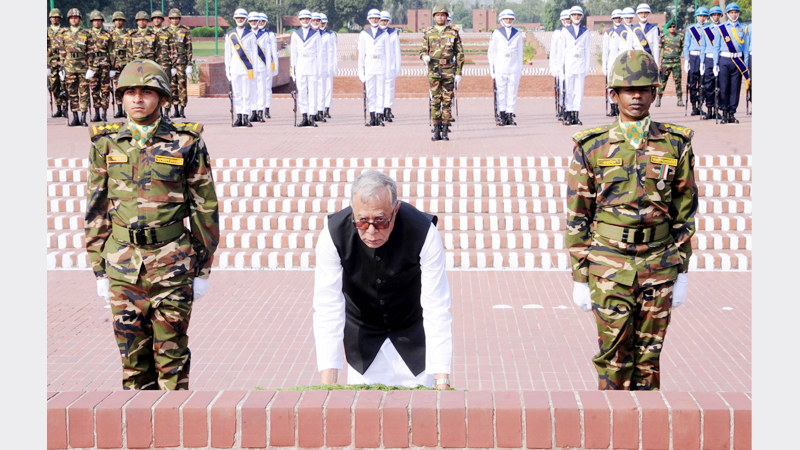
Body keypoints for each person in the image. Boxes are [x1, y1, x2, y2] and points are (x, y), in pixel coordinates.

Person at [84, 59, 219, 390]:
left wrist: (202, 269)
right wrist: (99, 269)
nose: (137, 99)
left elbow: (205, 208)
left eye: (146, 91)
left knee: (172, 367)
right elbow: (96, 210)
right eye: (130, 92)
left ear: (162, 97)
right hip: (122, 267)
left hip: (172, 267)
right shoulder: (106, 143)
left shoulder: (186, 142)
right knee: (133, 368)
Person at [566, 50, 697, 391]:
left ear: (655, 92)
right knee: (613, 358)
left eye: (643, 89)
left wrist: (682, 270)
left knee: (649, 361)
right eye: (627, 89)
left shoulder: (675, 143)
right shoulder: (591, 147)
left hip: (659, 262)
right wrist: (580, 276)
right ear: (614, 95)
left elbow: (685, 210)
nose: (636, 96)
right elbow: (578, 213)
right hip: (609, 264)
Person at [313, 171, 453, 389]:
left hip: (413, 341)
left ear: (395, 210)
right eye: (361, 221)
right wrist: (327, 385)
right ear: (352, 209)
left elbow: (437, 306)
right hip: (362, 345)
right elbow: (328, 307)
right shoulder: (332, 235)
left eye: (380, 221)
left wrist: (442, 379)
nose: (371, 231)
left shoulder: (424, 233)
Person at [420, 4, 463, 141]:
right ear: (434, 17)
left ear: (446, 17)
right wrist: (424, 56)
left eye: (443, 15)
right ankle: (436, 130)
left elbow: (460, 54)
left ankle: (445, 131)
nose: (440, 17)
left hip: (449, 71)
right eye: (438, 15)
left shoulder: (453, 32)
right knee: (435, 101)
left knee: (447, 101)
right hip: (434, 71)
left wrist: (458, 73)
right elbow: (422, 51)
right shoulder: (428, 33)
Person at [712, 3, 750, 124]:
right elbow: (716, 47)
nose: (734, 14)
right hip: (724, 60)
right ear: (728, 14)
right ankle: (724, 113)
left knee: (735, 88)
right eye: (731, 12)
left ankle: (732, 113)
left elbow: (746, 48)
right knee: (724, 87)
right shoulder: (721, 28)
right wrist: (715, 64)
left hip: (737, 61)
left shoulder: (744, 28)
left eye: (736, 12)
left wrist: (746, 64)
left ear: (738, 13)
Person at [59, 8, 96, 127]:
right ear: (69, 20)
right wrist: (61, 68)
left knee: (84, 92)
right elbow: (61, 52)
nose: (74, 19)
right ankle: (75, 117)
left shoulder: (86, 34)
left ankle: (83, 117)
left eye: (76, 17)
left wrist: (91, 68)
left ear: (80, 19)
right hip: (69, 66)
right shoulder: (64, 34)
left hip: (83, 67)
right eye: (72, 18)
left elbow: (90, 51)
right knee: (72, 93)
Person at [488, 9, 523, 126]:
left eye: (510, 19)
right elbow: (492, 53)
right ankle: (502, 115)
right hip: (500, 66)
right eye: (506, 19)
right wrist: (492, 69)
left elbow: (520, 54)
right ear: (501, 20)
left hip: (513, 67)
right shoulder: (496, 33)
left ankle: (510, 115)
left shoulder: (517, 34)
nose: (508, 20)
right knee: (501, 91)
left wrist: (519, 69)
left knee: (512, 92)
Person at [558, 6, 590, 126]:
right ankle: (568, 113)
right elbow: (562, 51)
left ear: (581, 16)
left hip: (580, 64)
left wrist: (587, 67)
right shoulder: (565, 31)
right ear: (570, 17)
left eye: (578, 15)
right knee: (569, 90)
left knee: (578, 91)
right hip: (569, 64)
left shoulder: (585, 31)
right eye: (574, 15)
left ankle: (576, 115)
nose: (576, 17)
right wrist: (561, 67)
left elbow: (587, 50)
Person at [359, 9, 391, 127]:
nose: (374, 20)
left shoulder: (385, 34)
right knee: (370, 92)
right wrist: (361, 71)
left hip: (381, 64)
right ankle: (372, 116)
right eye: (372, 18)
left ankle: (379, 115)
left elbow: (388, 55)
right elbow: (361, 54)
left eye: (377, 18)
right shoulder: (364, 34)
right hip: (369, 65)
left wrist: (388, 71)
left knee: (380, 92)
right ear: (369, 19)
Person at [225, 8, 257, 127]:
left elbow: (254, 54)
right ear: (235, 19)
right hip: (234, 68)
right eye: (238, 18)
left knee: (247, 93)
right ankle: (238, 116)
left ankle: (245, 116)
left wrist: (254, 70)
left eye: (242, 18)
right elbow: (227, 54)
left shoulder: (251, 35)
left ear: (246, 20)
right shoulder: (230, 35)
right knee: (237, 94)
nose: (240, 20)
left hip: (247, 69)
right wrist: (227, 69)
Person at [291, 9, 322, 127]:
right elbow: (293, 53)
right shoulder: (295, 34)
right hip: (300, 66)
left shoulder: (316, 34)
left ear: (310, 20)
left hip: (312, 65)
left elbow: (319, 53)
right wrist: (293, 69)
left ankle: (312, 116)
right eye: (303, 19)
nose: (305, 21)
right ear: (300, 20)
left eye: (307, 19)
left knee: (313, 92)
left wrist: (319, 69)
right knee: (302, 92)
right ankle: (304, 116)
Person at [88, 10, 114, 123]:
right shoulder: (87, 34)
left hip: (104, 63)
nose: (97, 23)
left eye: (99, 20)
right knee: (94, 88)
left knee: (105, 88)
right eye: (95, 21)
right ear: (92, 22)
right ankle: (97, 112)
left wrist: (112, 67)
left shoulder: (107, 34)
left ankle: (104, 112)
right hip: (92, 64)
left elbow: (112, 51)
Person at [150, 11, 176, 122]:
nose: (157, 20)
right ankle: (157, 112)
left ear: (162, 20)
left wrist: (174, 65)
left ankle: (166, 112)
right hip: (153, 64)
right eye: (154, 18)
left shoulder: (168, 33)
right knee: (155, 88)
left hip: (165, 64)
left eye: (159, 18)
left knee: (166, 87)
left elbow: (173, 49)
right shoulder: (149, 34)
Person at [683, 7, 709, 116]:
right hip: (694, 56)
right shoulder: (691, 29)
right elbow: (686, 45)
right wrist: (686, 60)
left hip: (705, 57)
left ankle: (700, 104)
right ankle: (694, 106)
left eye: (704, 16)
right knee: (693, 82)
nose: (702, 18)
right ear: (696, 17)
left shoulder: (709, 28)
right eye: (700, 16)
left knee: (703, 82)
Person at [168, 8, 192, 119]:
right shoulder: (166, 31)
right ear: (170, 19)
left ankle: (182, 109)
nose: (174, 21)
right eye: (172, 19)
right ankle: (175, 109)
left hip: (182, 63)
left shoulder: (185, 31)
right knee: (173, 87)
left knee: (182, 86)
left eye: (176, 18)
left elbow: (189, 48)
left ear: (179, 19)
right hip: (170, 63)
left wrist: (189, 64)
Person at [700, 6, 723, 120]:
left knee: (719, 86)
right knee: (709, 86)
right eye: (714, 15)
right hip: (708, 59)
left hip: (720, 59)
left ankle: (717, 109)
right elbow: (703, 47)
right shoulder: (706, 30)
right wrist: (702, 62)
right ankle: (709, 109)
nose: (716, 17)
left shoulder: (724, 29)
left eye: (718, 15)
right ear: (711, 17)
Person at [549, 10, 571, 122]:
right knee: (562, 88)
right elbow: (554, 51)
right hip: (559, 64)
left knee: (570, 88)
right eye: (566, 19)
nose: (568, 21)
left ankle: (570, 109)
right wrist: (553, 66)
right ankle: (562, 108)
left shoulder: (573, 32)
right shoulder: (557, 33)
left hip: (571, 64)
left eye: (569, 19)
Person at [656, 20, 683, 108]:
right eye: (670, 27)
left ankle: (679, 99)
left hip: (676, 62)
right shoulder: (663, 37)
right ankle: (659, 99)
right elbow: (659, 51)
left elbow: (683, 48)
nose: (672, 28)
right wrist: (659, 64)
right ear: (667, 28)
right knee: (662, 82)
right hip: (666, 62)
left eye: (674, 27)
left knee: (678, 82)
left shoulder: (680, 37)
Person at [380, 11, 401, 122]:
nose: (383, 22)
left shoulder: (393, 33)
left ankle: (387, 110)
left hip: (391, 65)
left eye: (385, 20)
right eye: (382, 20)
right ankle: (380, 109)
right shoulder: (375, 33)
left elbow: (397, 51)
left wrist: (398, 67)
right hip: (378, 66)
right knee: (380, 90)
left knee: (389, 89)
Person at [602, 9, 623, 117]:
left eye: (619, 18)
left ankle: (620, 107)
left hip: (622, 60)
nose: (618, 20)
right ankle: (612, 107)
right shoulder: (608, 33)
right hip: (612, 59)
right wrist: (604, 66)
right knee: (611, 85)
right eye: (615, 18)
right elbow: (605, 51)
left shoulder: (626, 31)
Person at [111, 11, 131, 118]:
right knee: (117, 86)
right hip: (115, 63)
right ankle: (119, 108)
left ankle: (127, 108)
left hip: (126, 62)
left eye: (120, 20)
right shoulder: (110, 34)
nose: (118, 22)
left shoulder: (128, 34)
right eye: (116, 20)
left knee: (127, 86)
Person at [247, 11, 266, 124]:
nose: (254, 22)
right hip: (251, 67)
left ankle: (260, 112)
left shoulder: (265, 35)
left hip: (261, 66)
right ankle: (253, 112)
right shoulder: (247, 34)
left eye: (256, 21)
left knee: (261, 90)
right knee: (252, 90)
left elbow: (267, 54)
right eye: (252, 21)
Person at [257, 13, 277, 119]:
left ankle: (267, 108)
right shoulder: (251, 33)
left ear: (266, 23)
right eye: (259, 21)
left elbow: (273, 52)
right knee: (256, 89)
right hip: (256, 66)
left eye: (262, 21)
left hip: (267, 64)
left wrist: (274, 66)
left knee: (267, 88)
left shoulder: (270, 34)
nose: (260, 23)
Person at [47, 8, 67, 118]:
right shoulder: (47, 31)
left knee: (64, 85)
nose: (55, 19)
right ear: (50, 18)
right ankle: (58, 107)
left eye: (57, 17)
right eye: (53, 17)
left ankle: (65, 107)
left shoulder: (64, 31)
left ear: (60, 19)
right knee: (54, 85)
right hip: (51, 61)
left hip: (62, 60)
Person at [320, 14, 337, 119]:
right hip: (317, 65)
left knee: (328, 88)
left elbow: (334, 52)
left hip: (327, 63)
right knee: (318, 88)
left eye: (323, 22)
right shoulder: (313, 34)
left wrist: (334, 66)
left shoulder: (331, 35)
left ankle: (327, 108)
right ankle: (319, 109)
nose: (321, 24)